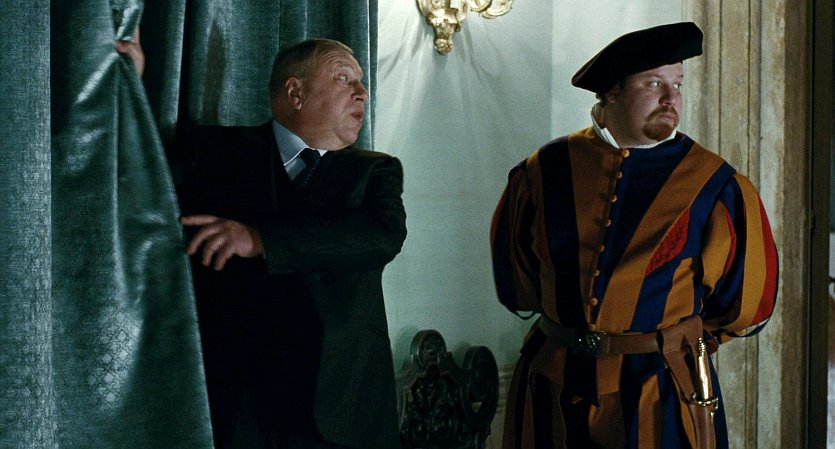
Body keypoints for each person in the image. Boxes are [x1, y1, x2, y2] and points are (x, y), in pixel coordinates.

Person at [490, 22, 778, 449]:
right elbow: (518, 283)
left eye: (677, 84)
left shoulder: (715, 184)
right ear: (611, 92)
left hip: (661, 392)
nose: (671, 98)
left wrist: (668, 341)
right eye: (654, 83)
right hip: (552, 385)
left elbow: (745, 305)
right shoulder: (542, 172)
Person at [175, 39, 407, 449]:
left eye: (361, 81)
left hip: (343, 407)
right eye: (343, 78)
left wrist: (260, 239)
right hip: (240, 405)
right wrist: (128, 77)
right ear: (295, 93)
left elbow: (380, 237)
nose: (362, 93)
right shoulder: (214, 153)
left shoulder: (376, 172)